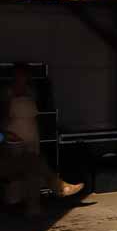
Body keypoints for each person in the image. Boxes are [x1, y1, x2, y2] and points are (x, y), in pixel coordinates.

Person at [0, 65, 83, 217]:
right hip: (13, 135)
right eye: (19, 76)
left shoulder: (32, 92)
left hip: (29, 133)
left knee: (33, 165)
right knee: (31, 164)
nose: (22, 79)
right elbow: (4, 116)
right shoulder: (7, 93)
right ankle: (56, 187)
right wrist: (5, 135)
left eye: (24, 76)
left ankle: (34, 206)